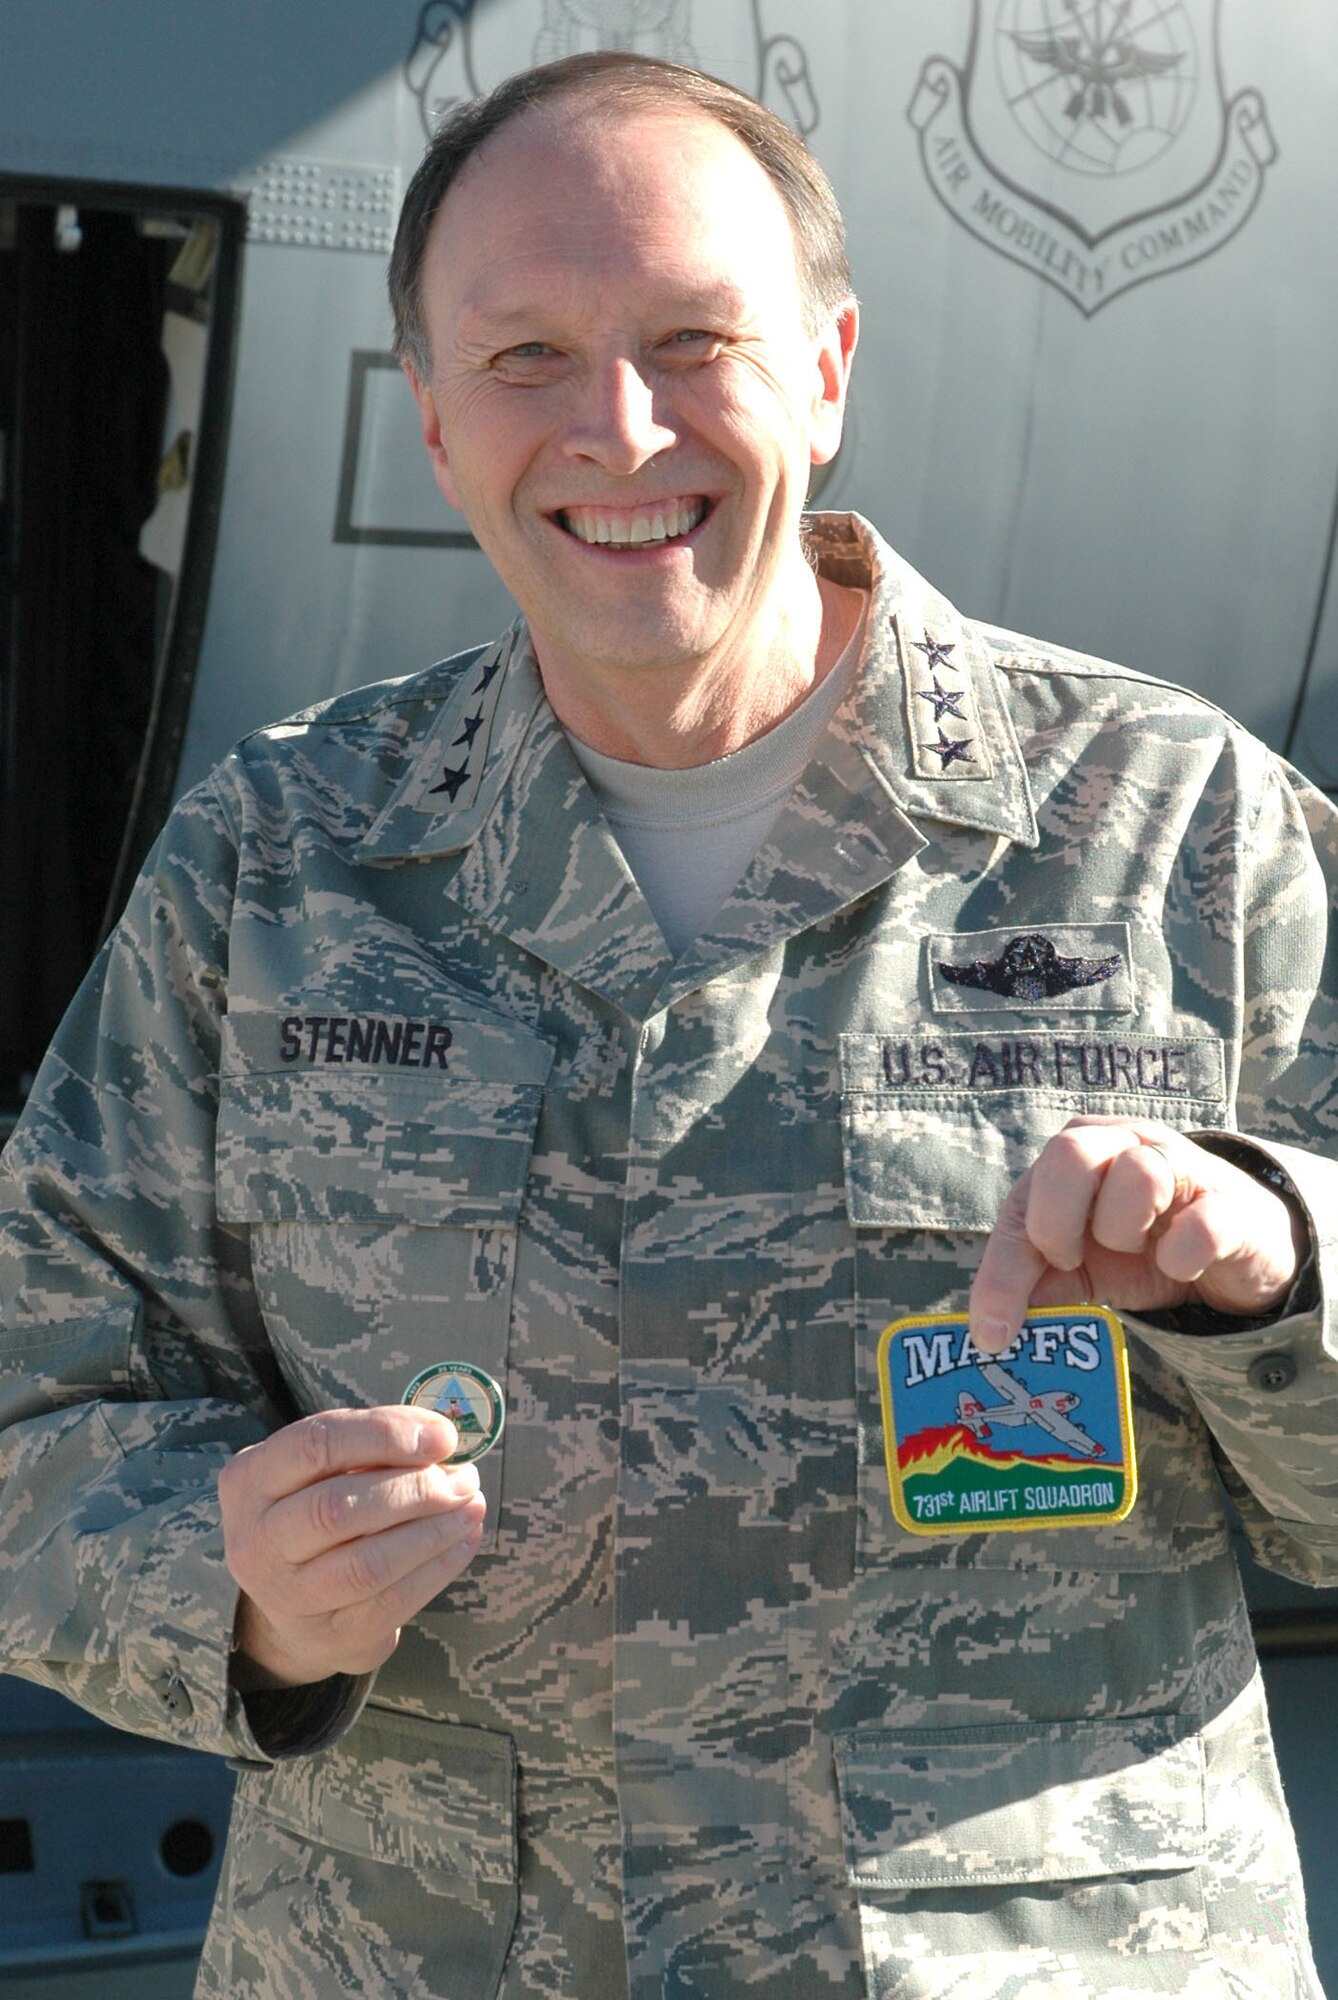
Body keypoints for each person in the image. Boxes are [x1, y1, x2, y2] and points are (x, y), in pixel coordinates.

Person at [1, 49, 1334, 2000]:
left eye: (694, 339)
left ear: (828, 368)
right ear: (438, 428)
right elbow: (32, 1409)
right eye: (524, 357)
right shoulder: (284, 864)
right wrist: (244, 1594)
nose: (617, 431)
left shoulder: (1176, 835)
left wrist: (1281, 1272)